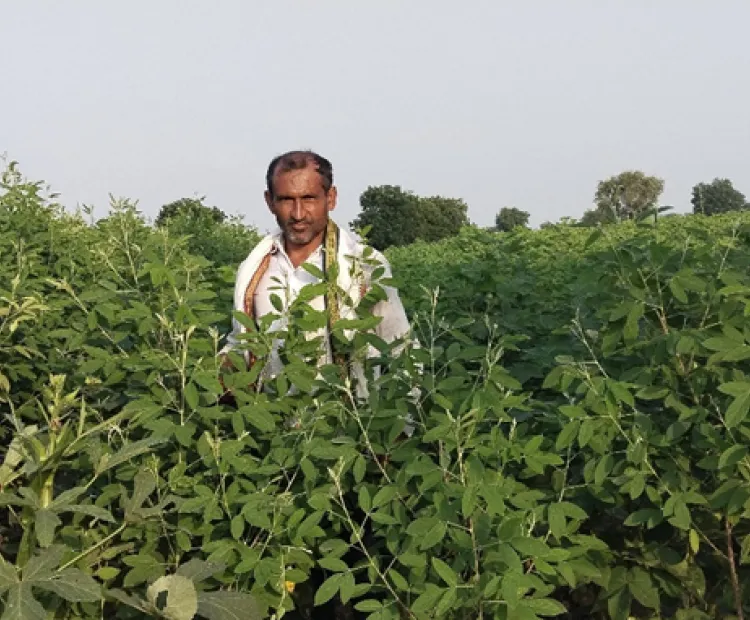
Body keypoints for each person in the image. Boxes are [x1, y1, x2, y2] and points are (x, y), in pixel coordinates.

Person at [221, 150, 413, 397]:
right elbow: (242, 342)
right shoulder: (255, 267)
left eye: (309, 198)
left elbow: (400, 348)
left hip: (344, 422)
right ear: (270, 202)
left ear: (330, 198)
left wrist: (403, 426)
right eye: (286, 200)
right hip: (271, 421)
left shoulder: (364, 265)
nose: (298, 214)